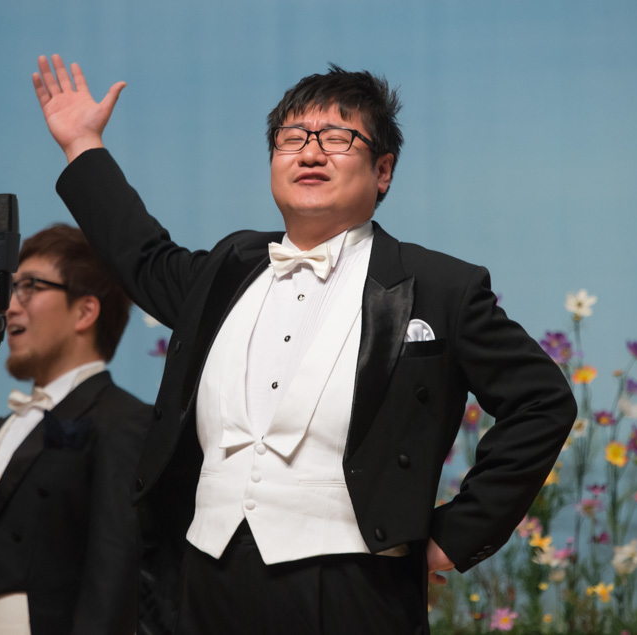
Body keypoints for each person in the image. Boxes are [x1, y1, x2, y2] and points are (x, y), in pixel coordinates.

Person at [30, 54, 578, 634]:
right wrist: (82, 144)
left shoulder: (441, 287)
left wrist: (455, 536)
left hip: (353, 586)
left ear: (383, 170)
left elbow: (542, 402)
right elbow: (141, 256)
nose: (310, 153)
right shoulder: (227, 269)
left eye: (337, 138)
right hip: (204, 578)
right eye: (292, 138)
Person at [0, 224, 151, 635]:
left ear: (85, 311)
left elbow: (116, 576)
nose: (9, 307)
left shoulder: (123, 421)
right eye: (11, 289)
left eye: (30, 287)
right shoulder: (3, 429)